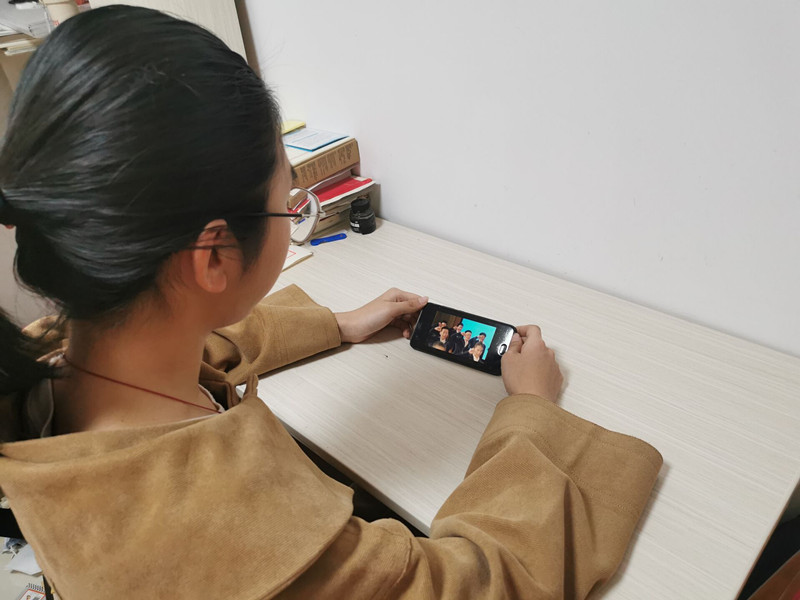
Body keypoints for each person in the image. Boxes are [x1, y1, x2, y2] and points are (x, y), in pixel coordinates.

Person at [0, 7, 662, 599]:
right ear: (213, 257)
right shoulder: (229, 529)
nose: (292, 213)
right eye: (286, 201)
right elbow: (481, 585)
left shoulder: (51, 363)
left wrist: (338, 325)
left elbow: (201, 340)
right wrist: (534, 413)